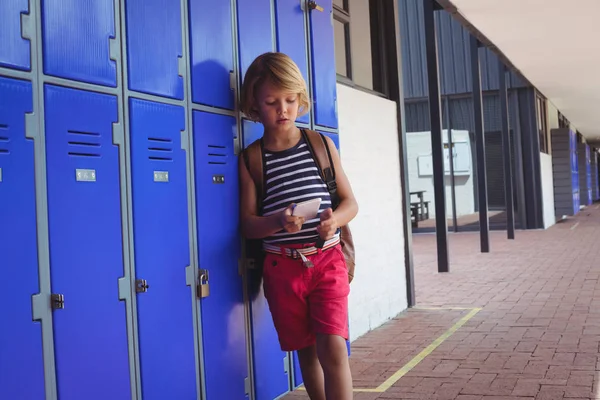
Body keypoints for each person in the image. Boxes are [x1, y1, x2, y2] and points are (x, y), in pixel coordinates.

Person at [238, 52, 358, 400]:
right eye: (272, 102)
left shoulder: (320, 145)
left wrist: (334, 220)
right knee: (307, 352)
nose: (283, 110)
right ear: (255, 104)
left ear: (300, 99)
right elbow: (247, 225)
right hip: (283, 268)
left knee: (333, 347)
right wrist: (277, 221)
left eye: (290, 100)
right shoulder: (252, 159)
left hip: (327, 260)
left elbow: (351, 203)